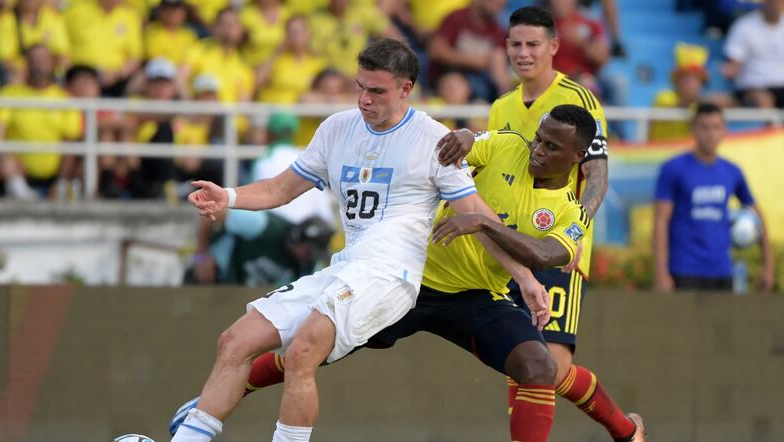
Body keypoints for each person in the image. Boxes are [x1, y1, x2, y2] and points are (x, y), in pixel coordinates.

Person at [171, 38, 550, 442]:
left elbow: (477, 215)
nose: (364, 100)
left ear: (406, 89)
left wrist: (525, 278)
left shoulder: (432, 139)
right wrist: (227, 197)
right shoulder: (337, 128)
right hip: (347, 267)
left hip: (391, 276)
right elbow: (280, 189)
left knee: (302, 353)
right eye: (359, 87)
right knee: (234, 340)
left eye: (376, 91)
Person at [487, 6, 645, 441]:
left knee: (551, 368)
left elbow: (597, 174)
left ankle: (625, 430)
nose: (523, 53)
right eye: (516, 44)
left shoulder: (578, 100)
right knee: (519, 363)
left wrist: (573, 234)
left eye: (533, 44)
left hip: (558, 251)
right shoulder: (500, 107)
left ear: (553, 47)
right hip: (512, 250)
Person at [653, 103, 774, 292]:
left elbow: (758, 216)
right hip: (685, 269)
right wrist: (660, 273)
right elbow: (661, 220)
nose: (711, 134)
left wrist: (768, 267)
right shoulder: (673, 169)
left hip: (722, 271)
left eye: (716, 127)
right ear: (693, 129)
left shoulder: (732, 171)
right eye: (705, 127)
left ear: (724, 130)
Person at [0, 44, 81, 199]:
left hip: (55, 175)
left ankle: (61, 189)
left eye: (43, 59)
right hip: (15, 173)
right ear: (26, 63)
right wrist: (7, 159)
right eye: (34, 59)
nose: (39, 64)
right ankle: (21, 194)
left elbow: (71, 145)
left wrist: (60, 181)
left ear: (52, 63)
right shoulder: (9, 94)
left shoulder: (65, 100)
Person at [187, 211, 334, 286]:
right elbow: (213, 212)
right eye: (308, 250)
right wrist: (202, 255)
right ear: (297, 238)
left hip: (238, 296)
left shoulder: (308, 265)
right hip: (212, 275)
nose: (310, 257)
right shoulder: (263, 225)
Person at [427, 0, 512, 101]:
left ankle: (504, 103)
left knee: (498, 57)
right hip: (449, 76)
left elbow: (500, 63)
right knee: (455, 86)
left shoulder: (498, 30)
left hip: (484, 82)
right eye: (493, 2)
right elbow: (436, 50)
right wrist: (472, 60)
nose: (498, 5)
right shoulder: (457, 18)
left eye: (501, 4)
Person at [64, 0, 143, 97]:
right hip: (80, 77)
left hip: (115, 82)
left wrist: (115, 74)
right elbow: (62, 46)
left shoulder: (129, 17)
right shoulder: (77, 11)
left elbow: (134, 57)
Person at [722, 0, 784, 109]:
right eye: (773, 2)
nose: (776, 5)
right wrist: (731, 69)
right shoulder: (744, 25)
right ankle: (772, 126)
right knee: (763, 100)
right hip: (752, 87)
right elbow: (734, 61)